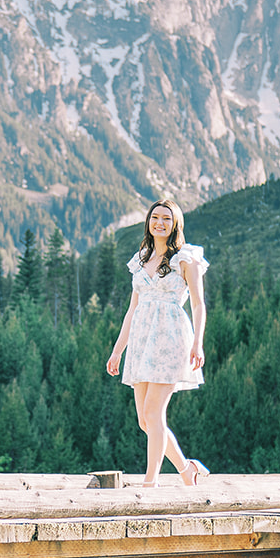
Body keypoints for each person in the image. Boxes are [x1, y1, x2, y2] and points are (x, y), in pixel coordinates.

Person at [105, 199, 210, 488]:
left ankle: (150, 482)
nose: (160, 223)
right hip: (141, 340)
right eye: (155, 218)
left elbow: (199, 305)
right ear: (149, 222)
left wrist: (197, 343)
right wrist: (117, 351)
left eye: (166, 218)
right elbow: (131, 310)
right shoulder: (140, 259)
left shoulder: (186, 258)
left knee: (154, 412)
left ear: (175, 223)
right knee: (145, 421)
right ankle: (188, 469)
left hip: (171, 337)